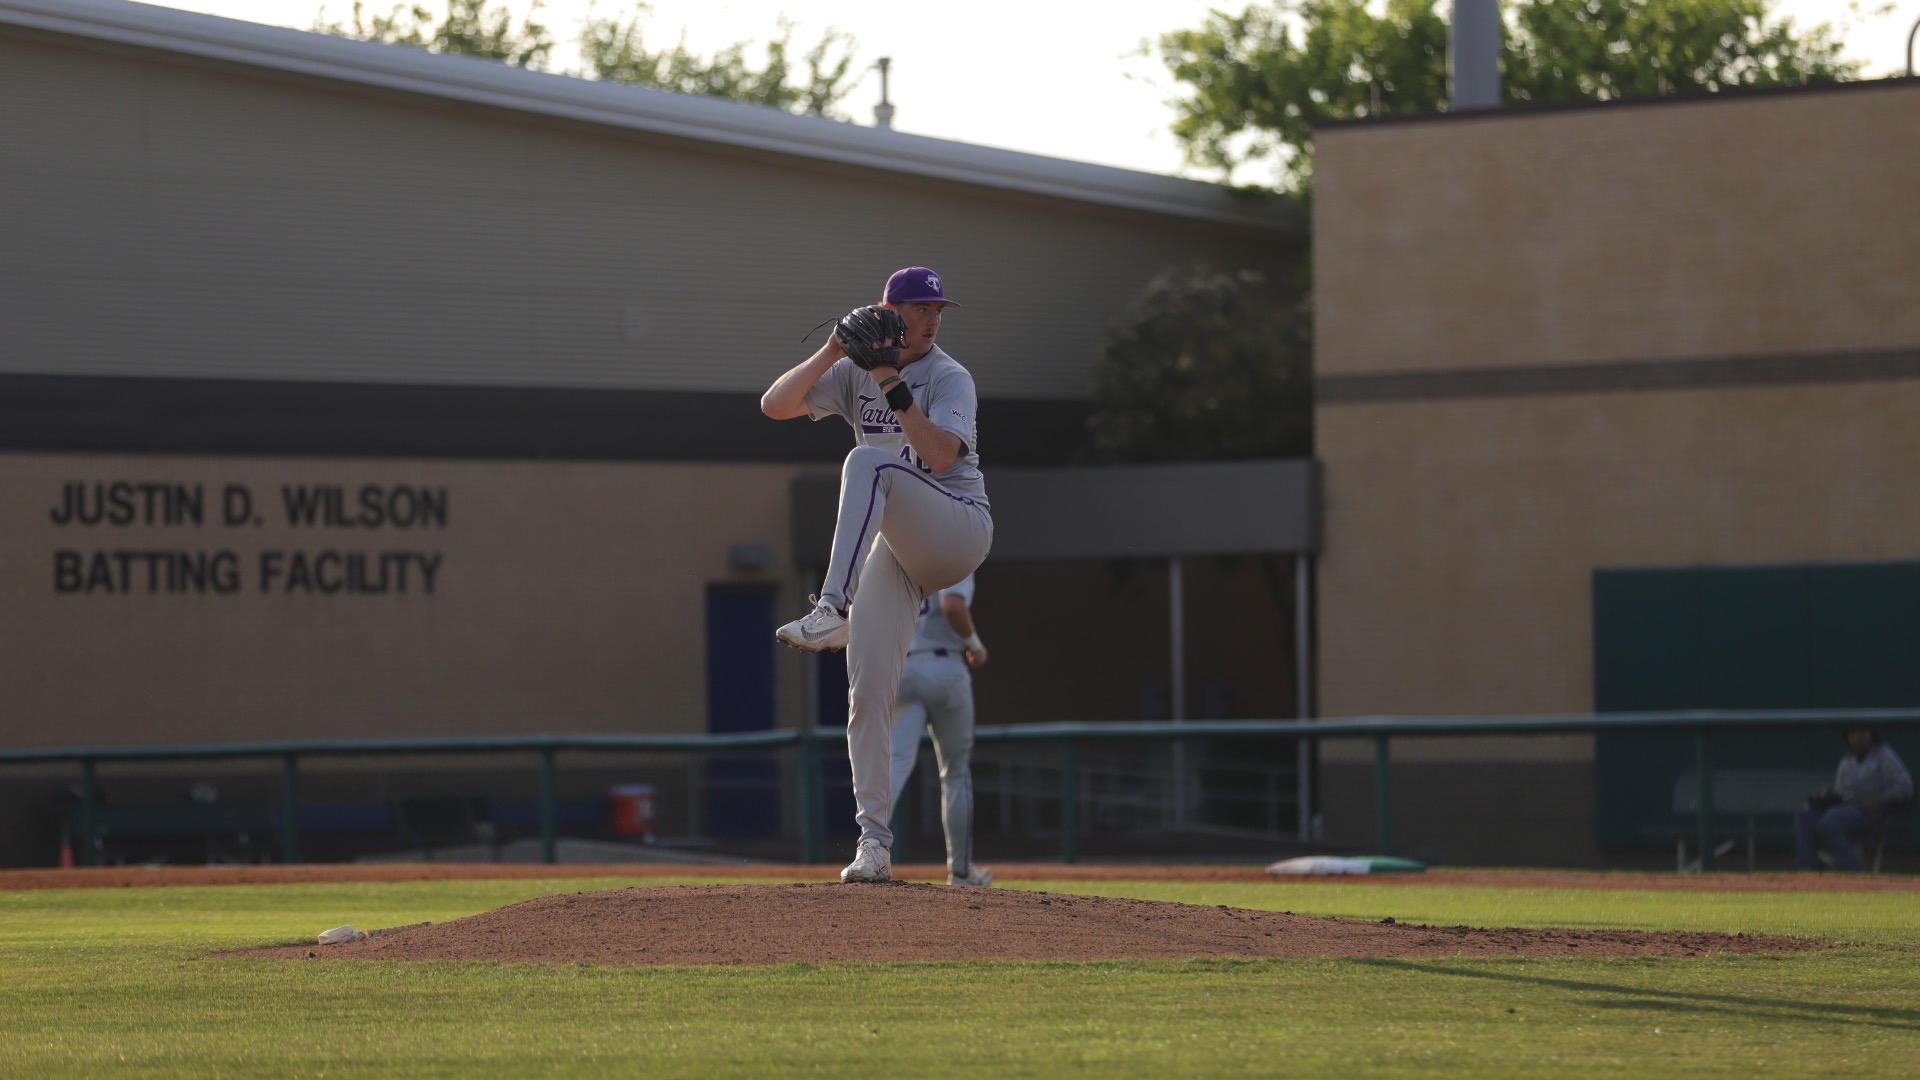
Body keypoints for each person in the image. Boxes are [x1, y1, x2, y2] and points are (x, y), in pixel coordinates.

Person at [759, 266, 992, 884]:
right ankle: (875, 846)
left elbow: (942, 456)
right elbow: (774, 405)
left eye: (938, 308)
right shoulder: (856, 369)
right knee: (865, 695)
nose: (932, 319)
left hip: (958, 526)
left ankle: (832, 605)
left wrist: (890, 378)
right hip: (900, 547)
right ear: (889, 311)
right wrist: (836, 346)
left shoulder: (948, 375)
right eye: (919, 308)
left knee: (869, 461)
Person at [888, 573, 992, 887]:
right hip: (945, 665)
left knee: (895, 763)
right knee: (955, 772)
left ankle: (870, 852)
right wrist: (974, 644)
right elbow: (952, 606)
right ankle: (960, 872)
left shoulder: (904, 553)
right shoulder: (956, 549)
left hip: (903, 664)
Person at [1796, 726, 1913, 872]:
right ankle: (1808, 869)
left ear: (1871, 735)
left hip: (1870, 814)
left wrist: (1879, 799)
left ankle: (1856, 872)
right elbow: (1843, 793)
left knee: (1829, 822)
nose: (1857, 738)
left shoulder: (1884, 754)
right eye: (1852, 734)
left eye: (1862, 733)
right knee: (1807, 814)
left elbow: (1905, 786)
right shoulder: (1847, 762)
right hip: (1844, 810)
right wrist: (1830, 795)